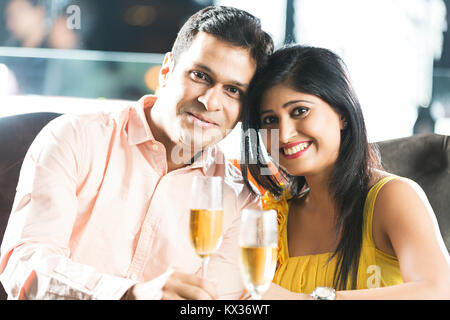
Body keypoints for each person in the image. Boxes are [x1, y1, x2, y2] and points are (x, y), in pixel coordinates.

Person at [0, 6, 274, 300]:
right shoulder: (75, 136)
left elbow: (214, 301)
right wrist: (129, 294)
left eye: (233, 90)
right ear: (167, 70)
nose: (210, 102)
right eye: (199, 75)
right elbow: (25, 262)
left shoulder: (241, 200)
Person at [240, 45, 450, 299]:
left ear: (342, 114)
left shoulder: (392, 196)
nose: (284, 134)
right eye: (270, 120)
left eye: (300, 111)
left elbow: (438, 290)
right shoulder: (276, 216)